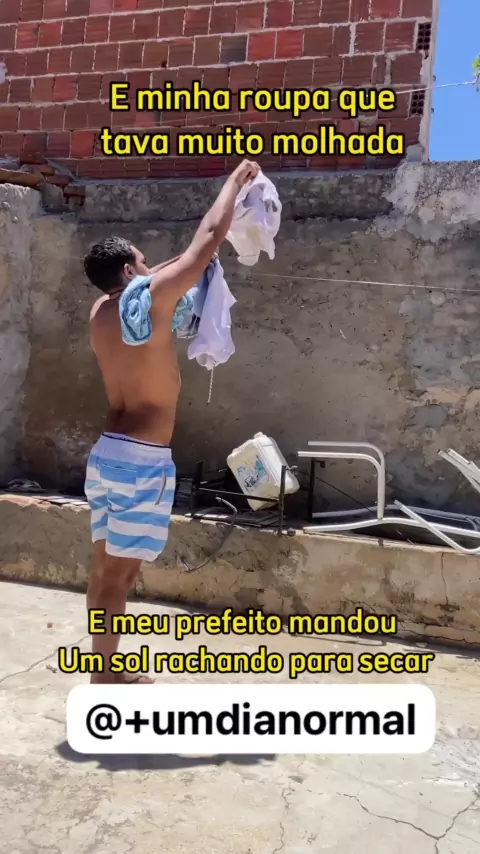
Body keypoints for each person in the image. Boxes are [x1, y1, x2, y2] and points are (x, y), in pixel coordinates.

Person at [83, 159, 260, 684]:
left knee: (104, 570)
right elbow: (206, 240)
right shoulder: (151, 301)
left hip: (106, 456)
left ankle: (103, 668)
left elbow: (168, 268)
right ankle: (105, 677)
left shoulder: (101, 312)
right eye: (141, 261)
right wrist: (234, 182)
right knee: (121, 575)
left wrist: (170, 265)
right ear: (129, 273)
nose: (149, 268)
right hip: (140, 463)